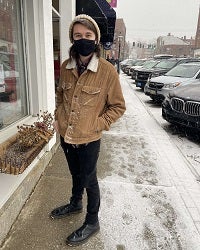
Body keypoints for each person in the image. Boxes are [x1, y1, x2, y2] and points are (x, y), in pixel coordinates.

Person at [50, 14, 126, 246]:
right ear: (72, 39)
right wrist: (58, 117)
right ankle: (75, 203)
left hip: (89, 138)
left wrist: (97, 124)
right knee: (75, 174)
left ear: (96, 39)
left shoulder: (106, 71)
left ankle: (92, 221)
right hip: (67, 134)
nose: (83, 39)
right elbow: (61, 95)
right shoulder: (66, 66)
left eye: (88, 35)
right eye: (78, 36)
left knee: (89, 180)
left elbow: (118, 106)